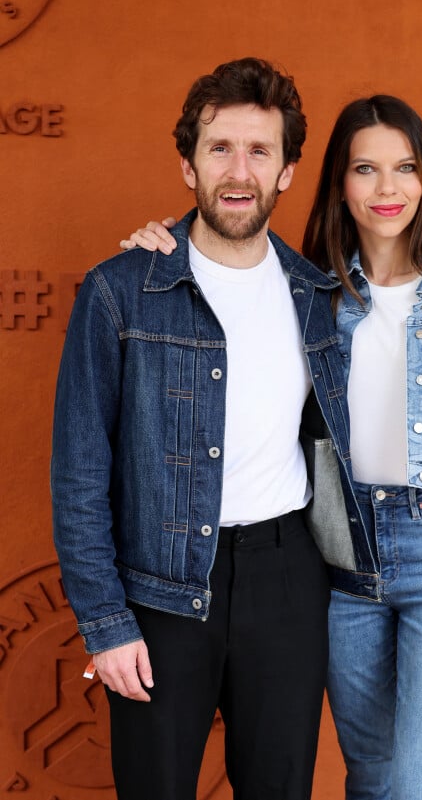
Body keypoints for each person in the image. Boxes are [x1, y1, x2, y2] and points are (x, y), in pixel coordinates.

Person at [126, 94, 422, 800]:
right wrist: (161, 240)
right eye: (366, 169)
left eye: (405, 167)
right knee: (370, 778)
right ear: (338, 183)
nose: (388, 188)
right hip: (342, 556)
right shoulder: (311, 289)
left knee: (420, 785)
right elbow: (223, 272)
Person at [51, 57, 362, 800]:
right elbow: (79, 474)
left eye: (261, 150)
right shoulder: (120, 291)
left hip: (289, 580)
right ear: (186, 162)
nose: (239, 170)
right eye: (220, 147)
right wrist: (105, 622)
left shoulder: (320, 297)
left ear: (288, 170)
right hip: (159, 588)